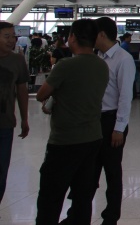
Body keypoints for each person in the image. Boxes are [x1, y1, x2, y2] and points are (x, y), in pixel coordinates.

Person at [35, 19, 109, 225]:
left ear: (73, 37)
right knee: (82, 196)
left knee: (51, 196)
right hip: (92, 137)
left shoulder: (65, 65)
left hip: (65, 140)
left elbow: (41, 94)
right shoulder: (102, 65)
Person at [62, 17, 135, 225]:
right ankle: (76, 216)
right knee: (87, 173)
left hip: (111, 122)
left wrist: (119, 127)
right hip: (92, 122)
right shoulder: (96, 57)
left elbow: (125, 96)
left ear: (101, 34)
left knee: (112, 173)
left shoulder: (123, 59)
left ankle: (110, 218)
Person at [0, 21, 29, 206]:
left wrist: (25, 118)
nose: (11, 40)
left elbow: (22, 90)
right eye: (6, 36)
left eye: (13, 36)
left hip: (5, 124)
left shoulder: (17, 60)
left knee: (2, 170)